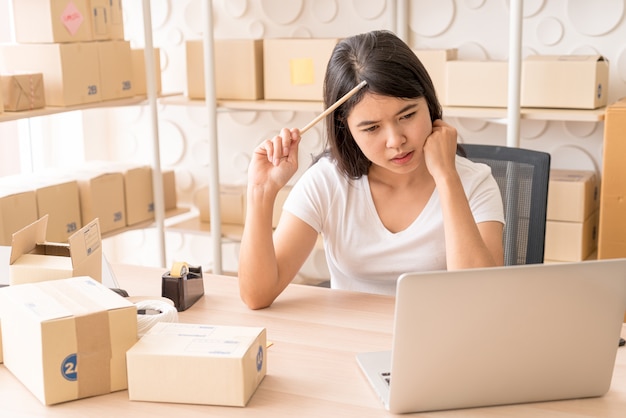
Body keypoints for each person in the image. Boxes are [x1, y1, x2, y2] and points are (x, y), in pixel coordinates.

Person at [238, 30, 504, 309]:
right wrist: (261, 192)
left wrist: (447, 178)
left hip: (443, 346)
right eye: (372, 128)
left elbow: (480, 301)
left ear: (429, 102)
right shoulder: (327, 182)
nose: (396, 141)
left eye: (408, 115)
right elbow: (257, 295)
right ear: (346, 127)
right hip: (351, 344)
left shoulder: (474, 183)